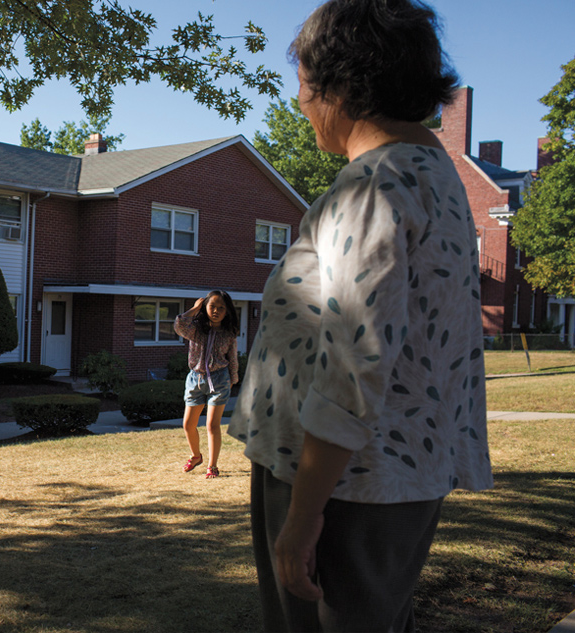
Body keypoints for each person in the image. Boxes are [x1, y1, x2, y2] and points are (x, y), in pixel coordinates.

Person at [228, 0, 493, 630]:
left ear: (343, 84)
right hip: (383, 481)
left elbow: (353, 363)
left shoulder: (372, 187)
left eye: (303, 84)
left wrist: (303, 518)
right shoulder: (434, 176)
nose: (299, 103)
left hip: (340, 488)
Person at [174, 290, 239, 479]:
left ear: (227, 311)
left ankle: (213, 466)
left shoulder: (229, 334)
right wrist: (194, 309)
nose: (216, 311)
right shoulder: (195, 329)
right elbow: (179, 325)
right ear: (205, 307)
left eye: (221, 308)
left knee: (212, 425)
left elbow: (232, 358)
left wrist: (233, 379)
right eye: (212, 306)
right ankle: (196, 456)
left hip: (219, 380)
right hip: (195, 380)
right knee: (188, 424)